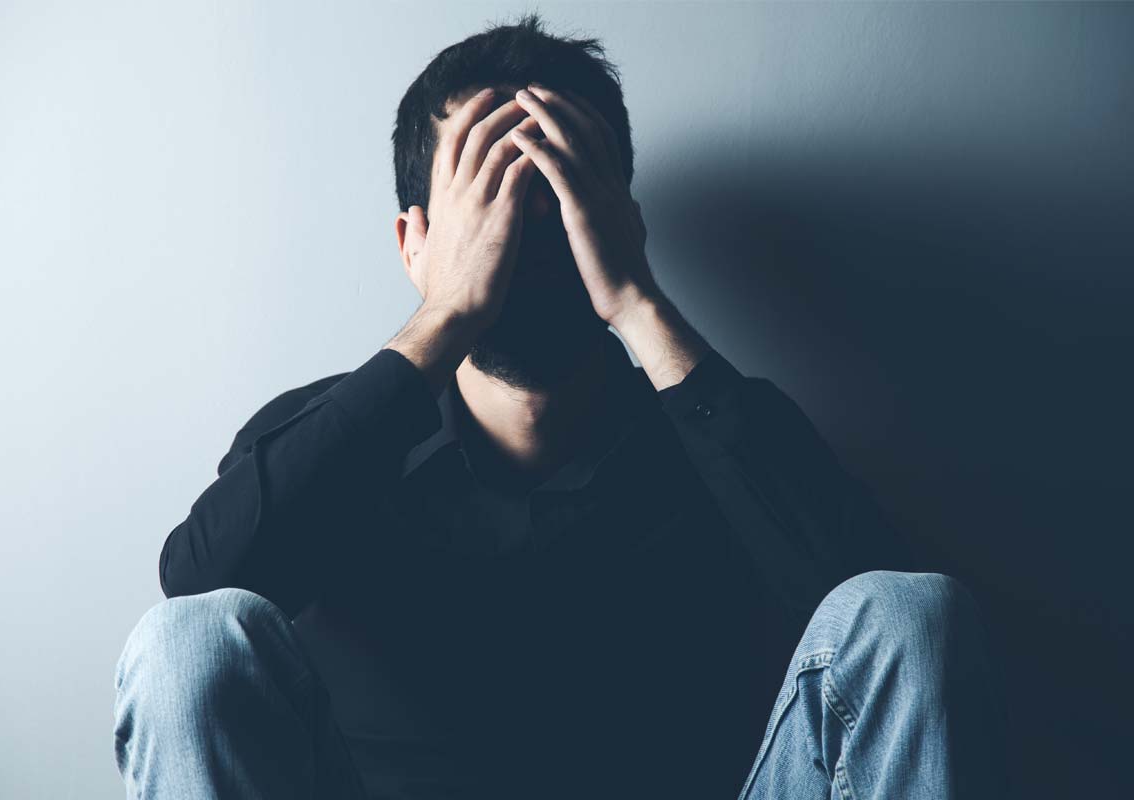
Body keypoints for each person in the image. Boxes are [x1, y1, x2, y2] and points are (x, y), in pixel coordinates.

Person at [113, 13, 1005, 800]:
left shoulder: (718, 431)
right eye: (486, 208)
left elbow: (892, 648)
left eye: (552, 203)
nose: (523, 244)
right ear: (414, 241)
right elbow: (198, 595)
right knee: (186, 640)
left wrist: (637, 303)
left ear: (617, 221)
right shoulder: (332, 438)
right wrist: (449, 312)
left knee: (910, 609)